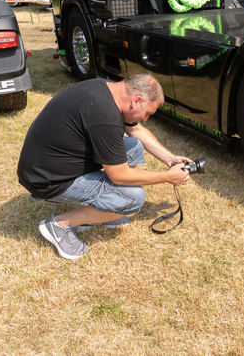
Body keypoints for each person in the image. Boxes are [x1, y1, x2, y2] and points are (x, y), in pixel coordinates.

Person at [17, 74, 192, 260]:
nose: (146, 118)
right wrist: (168, 177)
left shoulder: (106, 89)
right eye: (148, 113)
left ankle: (103, 208)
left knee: (133, 146)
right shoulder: (105, 116)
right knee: (133, 198)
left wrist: (170, 158)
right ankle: (60, 225)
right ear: (136, 100)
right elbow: (119, 175)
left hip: (47, 163)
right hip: (46, 180)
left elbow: (136, 130)